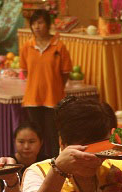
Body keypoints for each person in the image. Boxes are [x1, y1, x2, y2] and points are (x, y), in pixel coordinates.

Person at [20, 9, 72, 159]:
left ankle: (57, 164)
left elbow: (65, 73)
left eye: (40, 22)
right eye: (34, 23)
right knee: (36, 136)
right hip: (32, 99)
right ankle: (39, 164)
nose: (37, 26)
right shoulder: (27, 46)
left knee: (53, 135)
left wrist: (54, 86)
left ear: (48, 24)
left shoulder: (59, 46)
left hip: (53, 99)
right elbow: (26, 71)